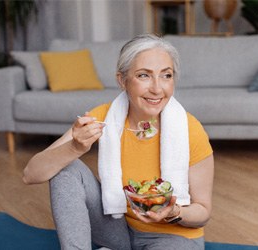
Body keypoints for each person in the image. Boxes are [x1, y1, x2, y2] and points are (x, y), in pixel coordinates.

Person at [23, 34, 214, 250]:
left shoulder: (190, 129)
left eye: (166, 75)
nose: (157, 88)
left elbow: (203, 212)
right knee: (66, 167)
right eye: (144, 75)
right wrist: (74, 148)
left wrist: (174, 212)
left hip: (173, 238)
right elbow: (30, 174)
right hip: (119, 230)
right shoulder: (104, 117)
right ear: (122, 80)